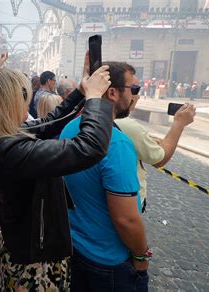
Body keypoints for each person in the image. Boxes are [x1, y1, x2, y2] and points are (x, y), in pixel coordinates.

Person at [0, 59, 114, 290]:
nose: (26, 98)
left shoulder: (1, 137)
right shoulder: (8, 149)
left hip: (29, 242)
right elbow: (89, 147)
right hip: (35, 260)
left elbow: (47, 124)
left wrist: (80, 92)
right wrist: (95, 98)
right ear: (5, 104)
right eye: (21, 94)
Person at [61, 62, 150, 291]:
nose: (134, 96)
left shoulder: (71, 127)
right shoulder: (118, 143)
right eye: (134, 89)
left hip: (75, 247)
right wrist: (141, 258)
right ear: (112, 92)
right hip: (107, 263)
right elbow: (126, 220)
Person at [115, 74, 196, 212]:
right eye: (134, 89)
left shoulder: (86, 116)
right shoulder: (129, 126)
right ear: (113, 92)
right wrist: (179, 123)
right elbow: (159, 158)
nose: (138, 96)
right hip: (126, 207)